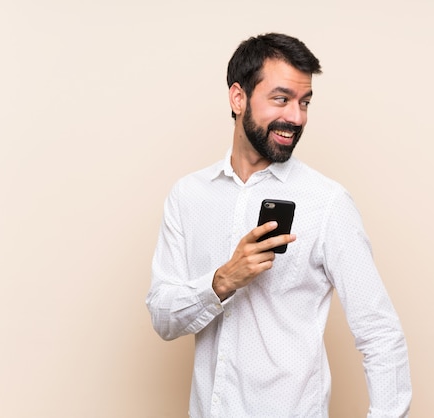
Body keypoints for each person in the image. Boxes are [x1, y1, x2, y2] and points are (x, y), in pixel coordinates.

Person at [146, 32, 412, 417]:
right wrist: (221, 281)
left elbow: (380, 333)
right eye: (281, 99)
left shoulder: (327, 203)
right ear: (238, 98)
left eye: (304, 103)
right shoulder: (188, 196)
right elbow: (162, 317)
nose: (296, 117)